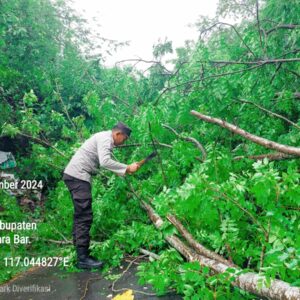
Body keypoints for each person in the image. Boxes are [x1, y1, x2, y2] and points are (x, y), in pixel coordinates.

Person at [62, 122, 140, 269]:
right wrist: (127, 167)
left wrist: (126, 170)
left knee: (80, 215)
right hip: (78, 176)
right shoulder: (106, 139)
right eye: (124, 139)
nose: (123, 143)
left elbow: (109, 162)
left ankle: (81, 254)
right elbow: (105, 162)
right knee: (84, 216)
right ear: (118, 134)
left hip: (75, 176)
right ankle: (83, 259)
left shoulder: (104, 138)